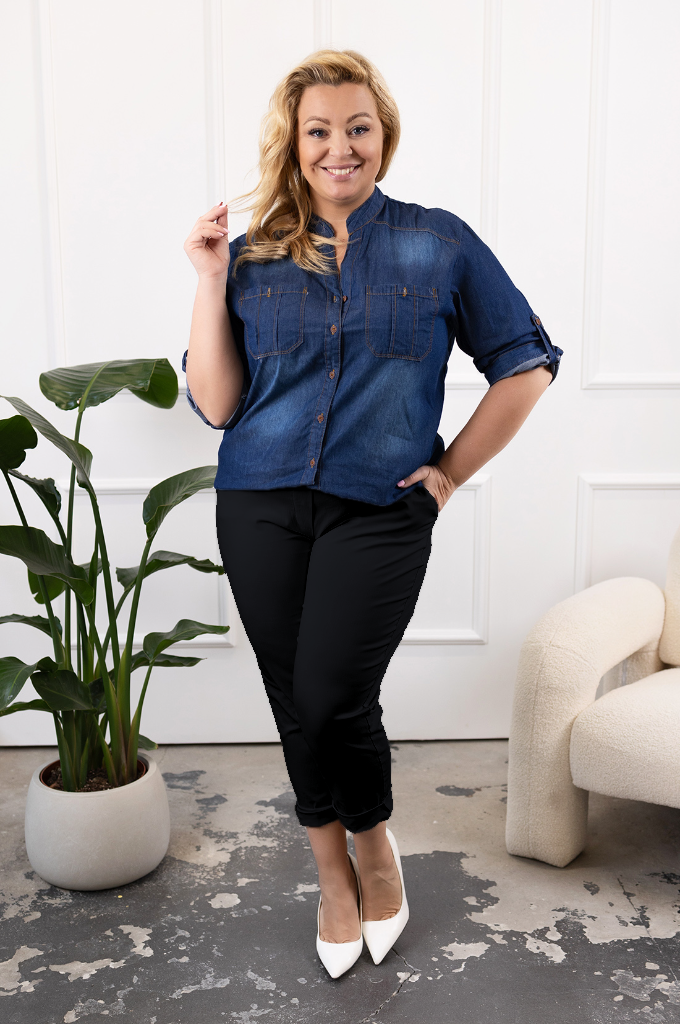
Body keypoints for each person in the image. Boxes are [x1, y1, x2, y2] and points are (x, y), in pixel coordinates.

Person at [182, 49, 561, 979]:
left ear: (384, 136)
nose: (339, 147)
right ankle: (332, 878)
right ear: (294, 143)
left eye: (358, 127)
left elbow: (526, 363)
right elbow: (219, 405)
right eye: (319, 131)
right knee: (294, 699)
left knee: (331, 694)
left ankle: (376, 848)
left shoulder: (440, 244)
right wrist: (206, 277)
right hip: (259, 502)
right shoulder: (252, 255)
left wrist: (450, 473)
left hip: (380, 509)